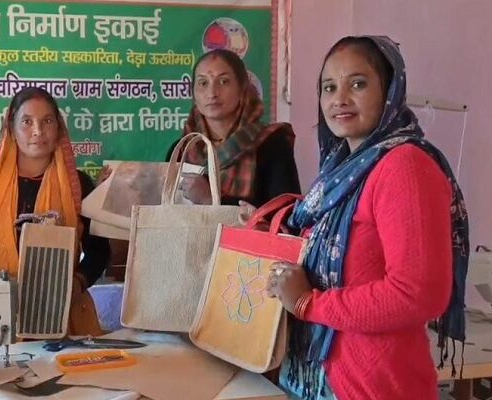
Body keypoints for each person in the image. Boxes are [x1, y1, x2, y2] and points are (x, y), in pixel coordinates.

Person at [266, 36, 469, 400]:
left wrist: (308, 303)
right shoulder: (339, 172)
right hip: (310, 379)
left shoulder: (404, 167)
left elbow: (417, 294)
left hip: (371, 388)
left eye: (357, 84)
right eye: (329, 87)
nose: (339, 99)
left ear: (389, 91)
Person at [0, 87, 110, 344]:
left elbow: (99, 252)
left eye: (47, 121)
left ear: (58, 127)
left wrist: (76, 285)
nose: (38, 131)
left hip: (63, 317)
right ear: (11, 128)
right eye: (27, 122)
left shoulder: (77, 184)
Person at [176, 48, 301, 208]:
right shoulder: (182, 149)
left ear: (242, 88)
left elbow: (286, 214)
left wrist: (212, 200)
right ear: (193, 94)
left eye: (224, 81)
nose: (212, 93)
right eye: (203, 83)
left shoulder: (272, 143)